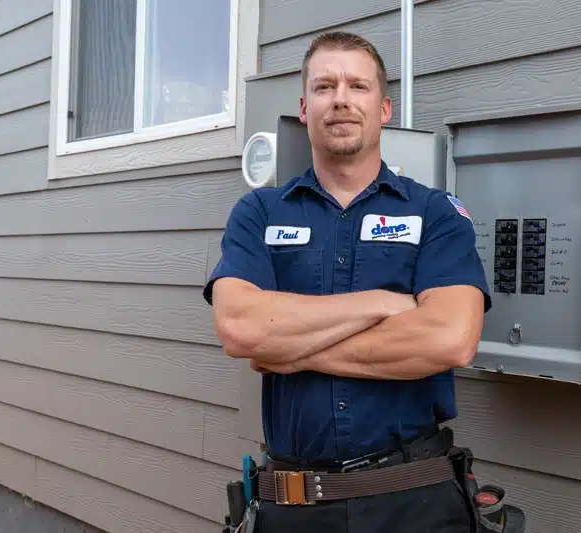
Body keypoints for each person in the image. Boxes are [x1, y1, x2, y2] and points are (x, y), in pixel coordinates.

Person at [204, 31, 492, 533]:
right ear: (304, 108)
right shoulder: (258, 213)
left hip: (415, 501)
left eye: (357, 86)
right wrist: (382, 303)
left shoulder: (435, 213)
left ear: (383, 109)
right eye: (324, 86)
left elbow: (451, 339)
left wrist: (288, 349)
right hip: (293, 507)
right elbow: (240, 328)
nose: (340, 99)